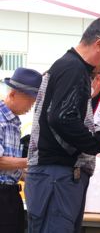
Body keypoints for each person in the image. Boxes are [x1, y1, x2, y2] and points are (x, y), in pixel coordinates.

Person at [25, 16, 100, 233]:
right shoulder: (73, 68)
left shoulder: (70, 67)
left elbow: (68, 119)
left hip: (55, 176)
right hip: (56, 175)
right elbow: (62, 118)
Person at [0, 67, 42, 233]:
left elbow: (11, 167)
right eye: (30, 100)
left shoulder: (15, 122)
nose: (31, 106)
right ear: (13, 94)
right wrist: (33, 160)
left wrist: (35, 175)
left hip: (11, 194)